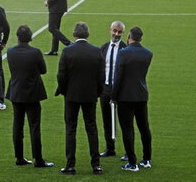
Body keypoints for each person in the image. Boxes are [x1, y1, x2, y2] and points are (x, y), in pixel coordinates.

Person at [55, 22, 104, 175]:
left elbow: (61, 75)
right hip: (89, 95)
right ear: (87, 34)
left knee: (71, 129)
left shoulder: (68, 51)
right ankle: (96, 165)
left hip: (72, 95)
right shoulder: (96, 51)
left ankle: (70, 165)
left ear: (74, 34)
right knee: (92, 128)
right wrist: (97, 92)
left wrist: (64, 91)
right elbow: (101, 77)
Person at [6, 25, 54, 168]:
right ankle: (38, 159)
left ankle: (19, 157)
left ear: (18, 37)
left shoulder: (10, 52)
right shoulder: (35, 52)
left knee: (17, 126)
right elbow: (43, 70)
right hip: (32, 93)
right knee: (34, 127)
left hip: (16, 92)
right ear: (30, 37)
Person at [111, 26, 153, 172]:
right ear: (141, 38)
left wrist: (113, 96)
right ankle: (147, 159)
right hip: (141, 95)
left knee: (127, 129)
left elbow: (118, 76)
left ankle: (132, 162)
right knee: (144, 127)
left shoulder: (123, 53)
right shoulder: (148, 54)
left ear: (129, 37)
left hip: (125, 97)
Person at [99, 21, 127, 158]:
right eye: (114, 31)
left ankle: (128, 151)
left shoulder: (125, 49)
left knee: (125, 120)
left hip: (121, 90)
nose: (116, 34)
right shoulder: (104, 48)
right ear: (110, 30)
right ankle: (110, 148)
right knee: (106, 119)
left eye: (119, 32)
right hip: (105, 88)